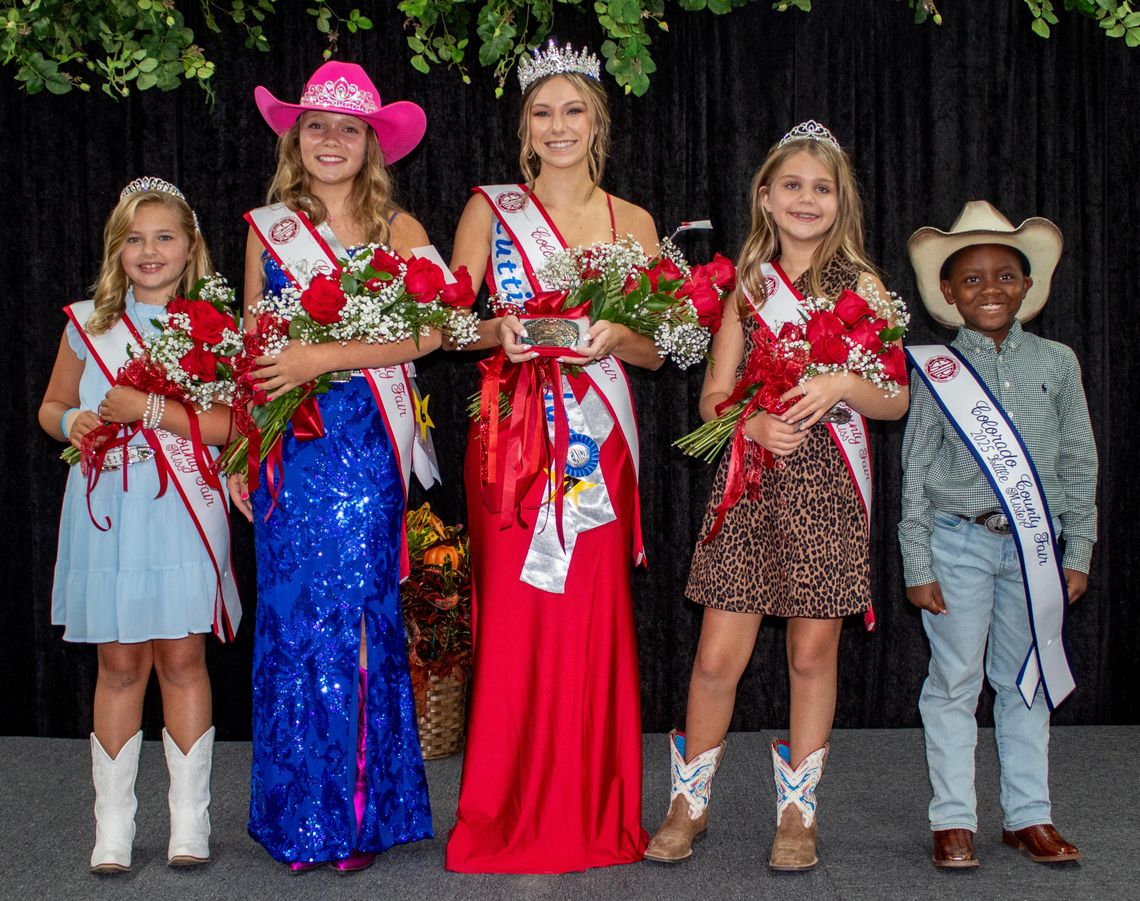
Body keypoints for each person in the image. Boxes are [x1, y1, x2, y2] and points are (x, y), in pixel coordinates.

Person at [645, 122, 909, 870]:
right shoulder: (746, 284)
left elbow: (894, 400)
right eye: (791, 184)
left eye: (821, 188)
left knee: (812, 650)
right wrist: (751, 420)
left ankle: (799, 814)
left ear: (840, 200)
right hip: (751, 483)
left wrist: (841, 384)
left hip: (828, 483)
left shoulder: (863, 285)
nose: (806, 198)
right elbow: (712, 398)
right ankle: (687, 802)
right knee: (716, 656)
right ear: (765, 195)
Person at [444, 41, 661, 874]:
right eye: (544, 112)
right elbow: (448, 326)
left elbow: (658, 350)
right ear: (524, 129)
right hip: (507, 438)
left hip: (595, 446)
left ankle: (587, 806)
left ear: (598, 121)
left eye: (575, 110)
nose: (559, 125)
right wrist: (492, 329)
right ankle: (502, 809)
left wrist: (618, 335)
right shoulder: (489, 212)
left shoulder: (631, 221)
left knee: (587, 618)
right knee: (513, 618)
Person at [229, 60, 436, 872]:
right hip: (292, 441)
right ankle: (296, 816)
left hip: (364, 446)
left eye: (347, 127)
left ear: (372, 144)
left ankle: (358, 813)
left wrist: (325, 354)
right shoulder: (266, 227)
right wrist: (244, 450)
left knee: (357, 620)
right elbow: (254, 346)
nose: (330, 139)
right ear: (295, 137)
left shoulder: (402, 230)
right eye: (315, 124)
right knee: (290, 623)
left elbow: (430, 334)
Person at [39, 178, 239, 872]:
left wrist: (148, 411)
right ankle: (114, 827)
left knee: (182, 657)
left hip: (181, 509)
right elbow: (52, 404)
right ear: (115, 248)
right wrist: (75, 420)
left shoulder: (212, 327)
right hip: (108, 508)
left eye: (163, 238)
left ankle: (191, 821)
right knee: (119, 662)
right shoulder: (86, 323)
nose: (148, 251)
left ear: (190, 249)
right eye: (133, 238)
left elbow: (228, 426)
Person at [899, 201, 1097, 868]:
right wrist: (916, 557)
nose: (991, 289)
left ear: (1029, 285)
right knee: (954, 681)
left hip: (1036, 549)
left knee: (1027, 679)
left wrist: (1081, 548)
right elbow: (918, 469)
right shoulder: (938, 371)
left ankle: (1028, 814)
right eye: (974, 279)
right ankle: (953, 819)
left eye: (1006, 275)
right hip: (957, 542)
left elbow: (1079, 461)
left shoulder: (1059, 362)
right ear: (949, 293)